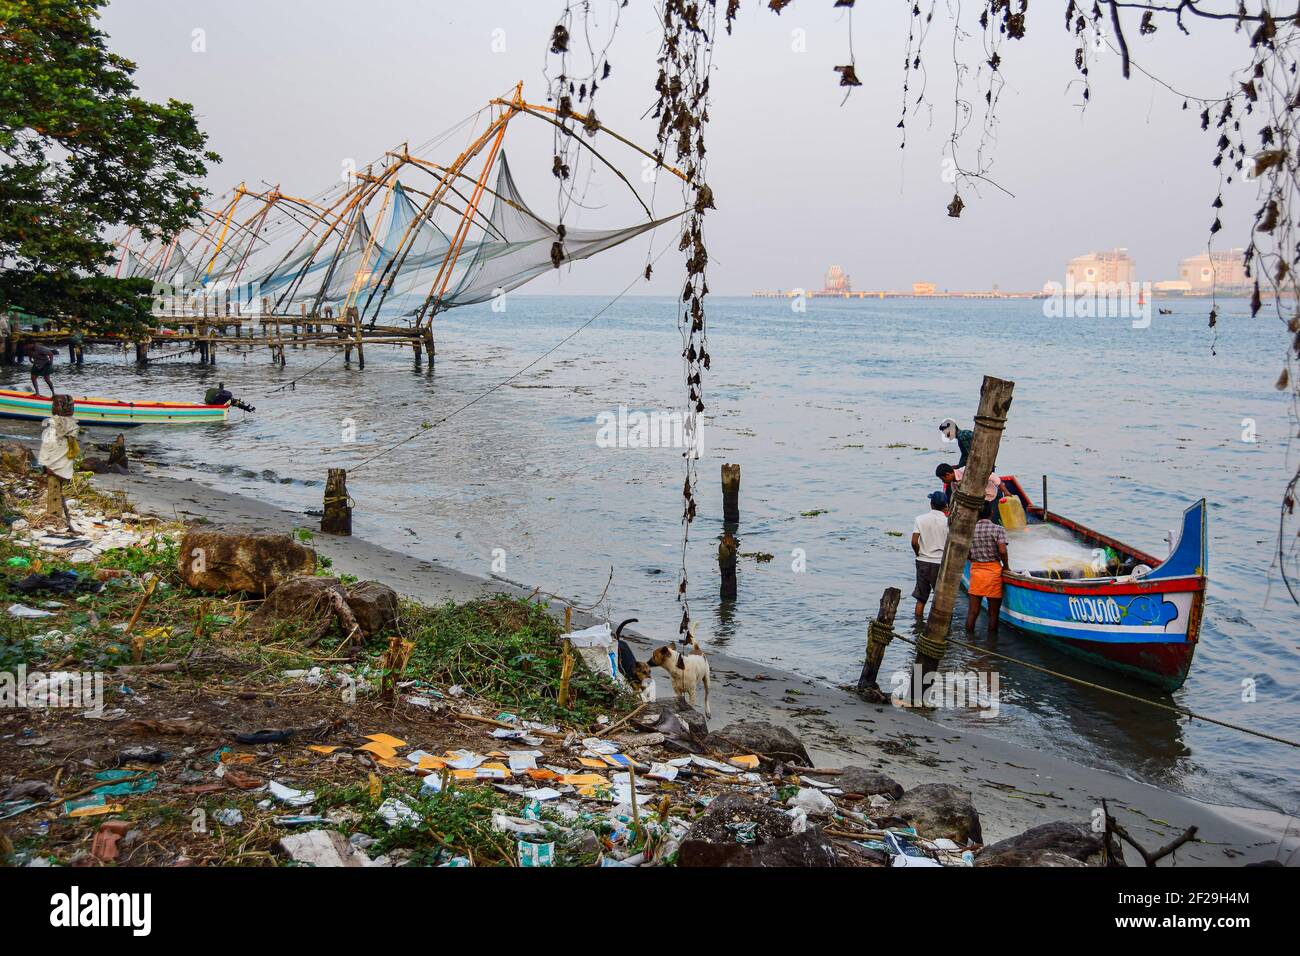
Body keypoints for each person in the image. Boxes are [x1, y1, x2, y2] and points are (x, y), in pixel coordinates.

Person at [966, 500, 1010, 637]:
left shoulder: (970, 530)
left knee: (973, 612)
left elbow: (966, 553)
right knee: (993, 614)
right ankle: (991, 643)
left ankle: (969, 641)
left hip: (976, 571)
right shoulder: (998, 529)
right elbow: (1002, 551)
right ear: (991, 513)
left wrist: (973, 558)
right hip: (993, 572)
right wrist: (1006, 567)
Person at [37, 394, 79, 530]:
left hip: (56, 462)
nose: (53, 408)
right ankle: (55, 515)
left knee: (55, 489)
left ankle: (54, 516)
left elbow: (53, 444)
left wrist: (46, 462)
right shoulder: (64, 424)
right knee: (55, 489)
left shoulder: (62, 424)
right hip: (56, 461)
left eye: (56, 405)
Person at [911, 490, 950, 620]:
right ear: (945, 506)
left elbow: (914, 542)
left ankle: (918, 624)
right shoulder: (948, 522)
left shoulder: (920, 519)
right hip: (940, 563)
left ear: (931, 504)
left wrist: (918, 553)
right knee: (941, 599)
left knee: (921, 598)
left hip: (923, 561)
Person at [935, 461, 1009, 523]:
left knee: (992, 521)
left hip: (992, 496)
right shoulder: (953, 484)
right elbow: (956, 497)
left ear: (947, 475)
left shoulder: (966, 471)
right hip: (979, 501)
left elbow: (992, 476)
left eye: (942, 479)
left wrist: (1005, 491)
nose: (943, 481)